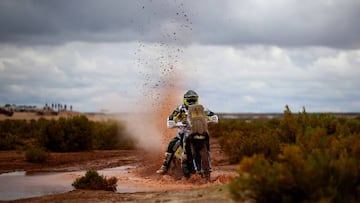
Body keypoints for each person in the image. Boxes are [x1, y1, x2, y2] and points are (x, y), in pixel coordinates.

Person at [156, 90, 219, 175]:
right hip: (184, 131)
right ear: (185, 100)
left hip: (199, 130)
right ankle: (164, 166)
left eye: (194, 100)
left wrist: (213, 118)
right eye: (190, 100)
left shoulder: (200, 109)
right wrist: (173, 122)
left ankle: (208, 163)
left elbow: (211, 114)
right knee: (172, 144)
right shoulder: (180, 109)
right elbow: (171, 117)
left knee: (207, 138)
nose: (192, 102)